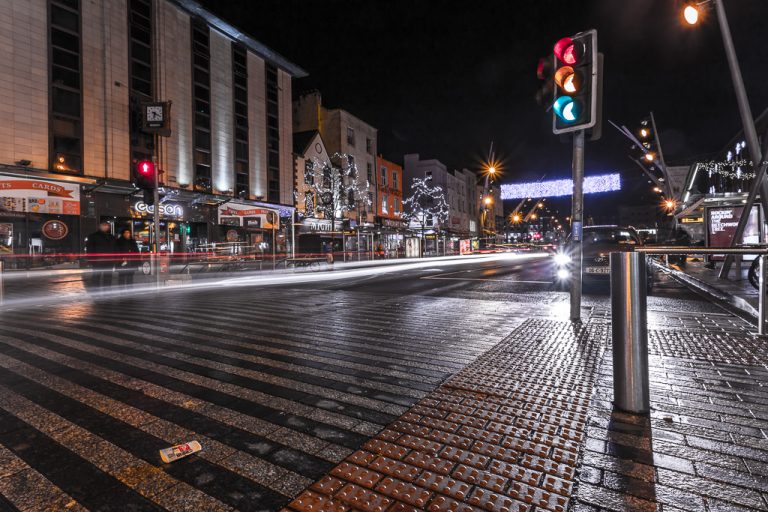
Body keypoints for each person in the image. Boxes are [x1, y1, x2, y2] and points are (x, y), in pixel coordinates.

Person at [85, 221, 116, 287]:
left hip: (109, 261)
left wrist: (115, 259)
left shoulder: (111, 237)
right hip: (97, 261)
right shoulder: (93, 236)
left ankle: (107, 291)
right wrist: (91, 260)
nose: (105, 226)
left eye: (107, 225)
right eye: (103, 225)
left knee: (108, 277)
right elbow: (89, 249)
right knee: (96, 277)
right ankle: (96, 291)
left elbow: (115, 249)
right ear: (99, 226)